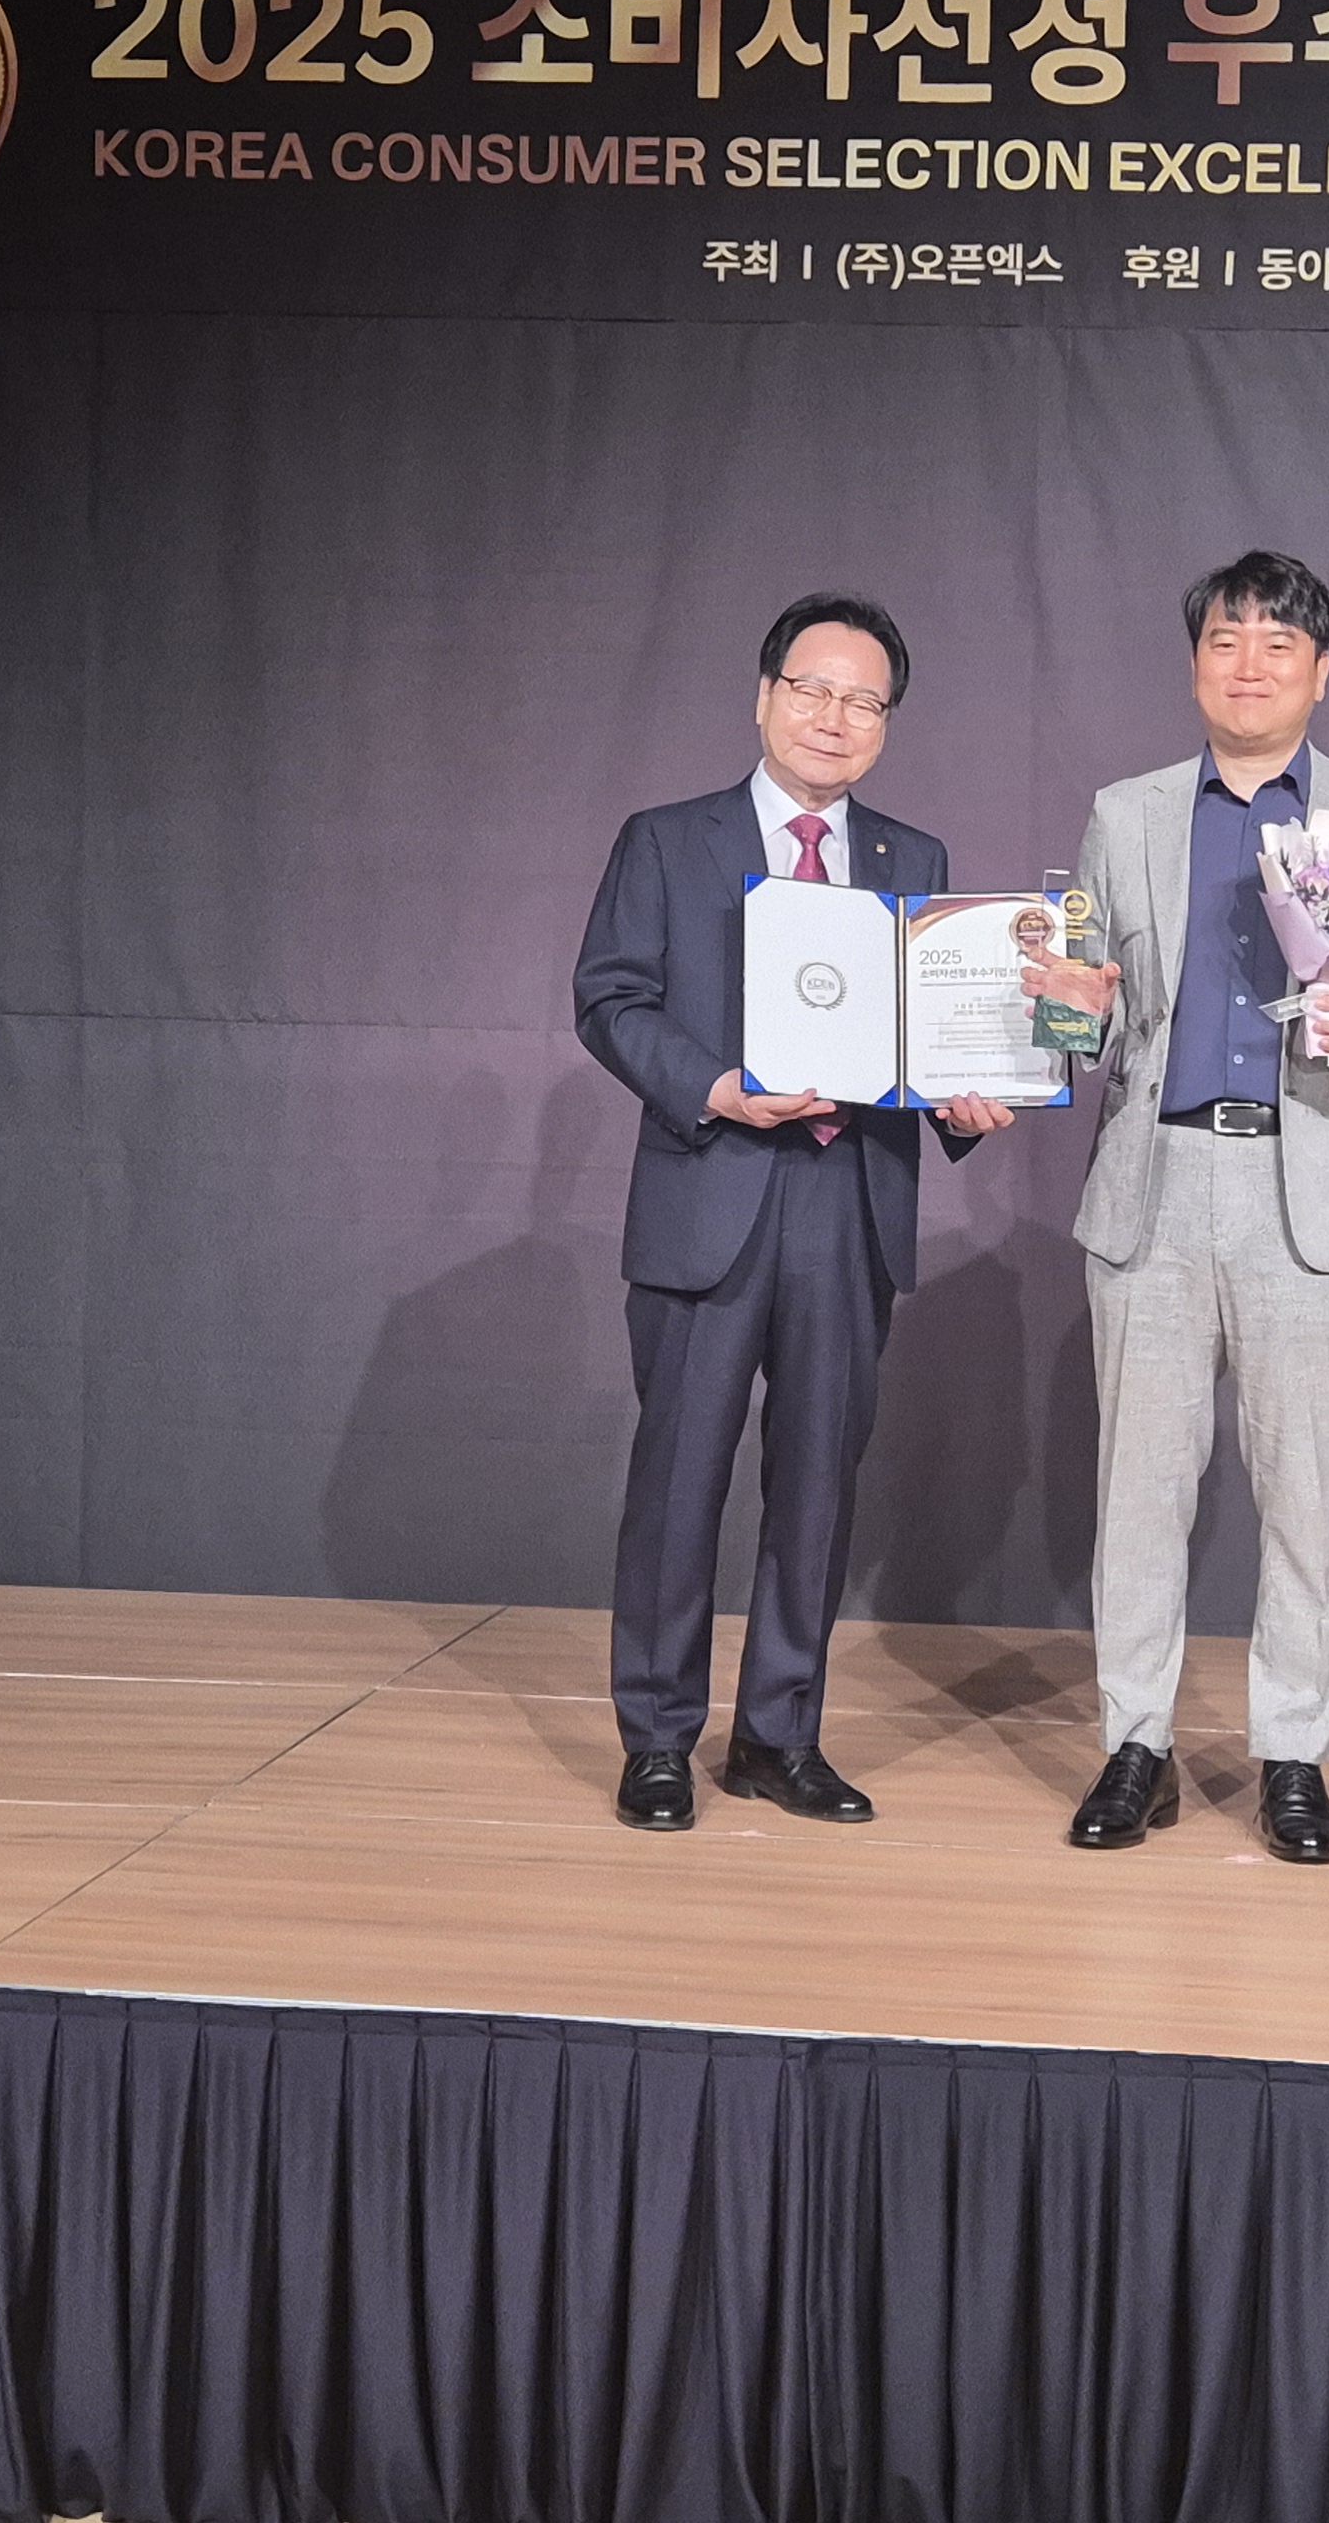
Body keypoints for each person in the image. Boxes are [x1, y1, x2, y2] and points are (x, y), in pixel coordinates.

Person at [1023, 551, 1329, 1863]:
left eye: (1277, 644)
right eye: (1224, 640)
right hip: (1154, 1182)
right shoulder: (1126, 814)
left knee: (1306, 1494)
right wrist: (1063, 1009)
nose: (1248, 664)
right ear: (1194, 662)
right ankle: (1135, 1744)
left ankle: (1294, 1757)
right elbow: (1080, 1016)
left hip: (1303, 1184)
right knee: (1139, 1488)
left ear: (1321, 672)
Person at [572, 594, 1014, 1831]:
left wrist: (970, 1100)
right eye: (813, 689)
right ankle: (659, 1739)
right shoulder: (668, 841)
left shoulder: (914, 861)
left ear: (887, 724)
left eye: (864, 701)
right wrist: (714, 1087)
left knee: (817, 1486)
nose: (835, 717)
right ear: (763, 697)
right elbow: (609, 999)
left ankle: (779, 1735)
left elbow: (929, 1038)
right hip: (710, 1189)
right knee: (679, 1483)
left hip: (849, 1203)